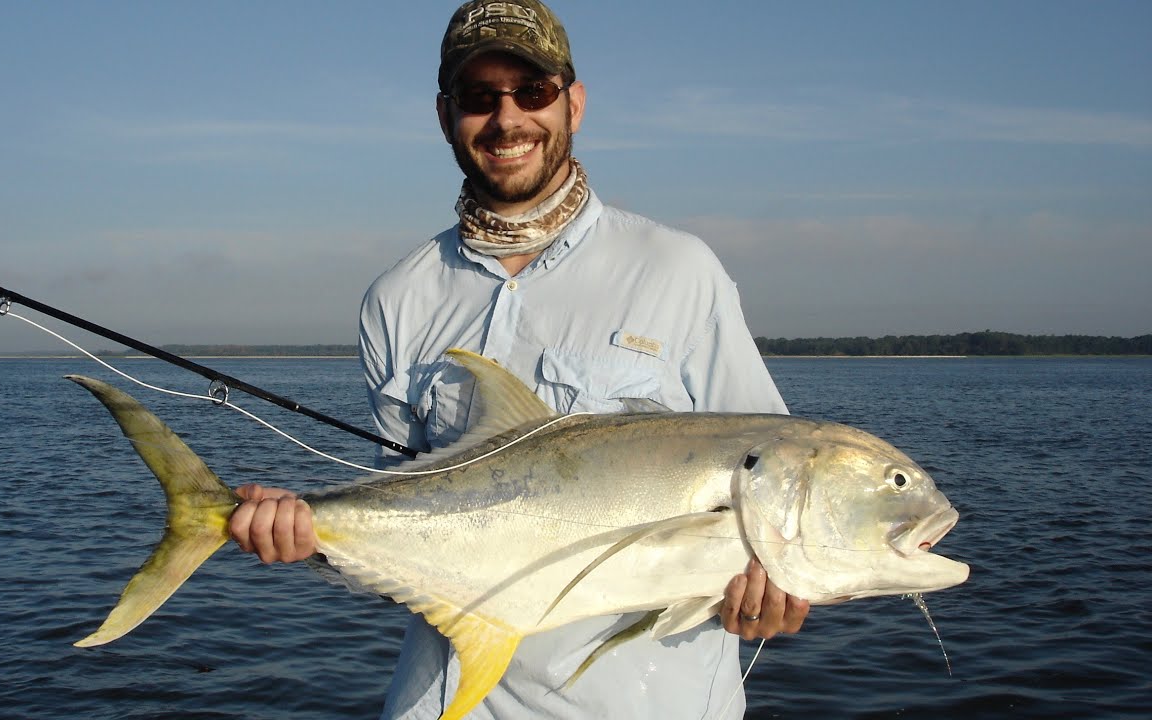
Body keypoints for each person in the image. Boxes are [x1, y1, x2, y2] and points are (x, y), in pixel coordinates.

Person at [231, 1, 810, 717]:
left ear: (575, 103)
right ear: (446, 116)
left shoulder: (677, 271)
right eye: (479, 98)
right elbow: (400, 519)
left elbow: (778, 489)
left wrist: (776, 591)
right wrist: (309, 539)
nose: (507, 120)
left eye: (531, 92)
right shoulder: (397, 298)